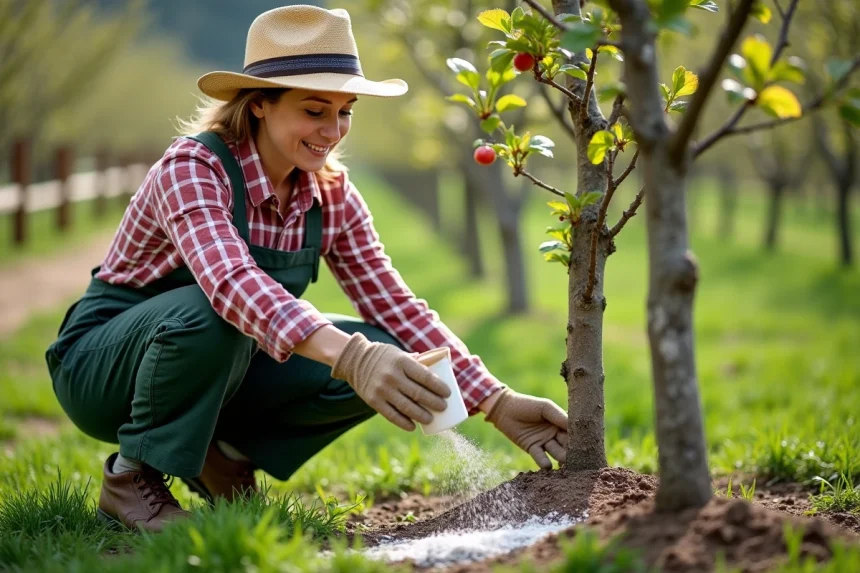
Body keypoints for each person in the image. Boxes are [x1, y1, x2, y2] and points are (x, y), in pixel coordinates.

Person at [45, 5, 568, 532]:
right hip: (103, 369)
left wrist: (496, 401)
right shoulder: (194, 168)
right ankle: (131, 478)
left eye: (345, 111)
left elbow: (397, 304)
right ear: (259, 106)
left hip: (219, 364)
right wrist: (355, 358)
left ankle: (219, 456)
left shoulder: (331, 193)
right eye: (314, 111)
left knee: (389, 345)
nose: (334, 130)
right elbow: (231, 285)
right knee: (223, 313)